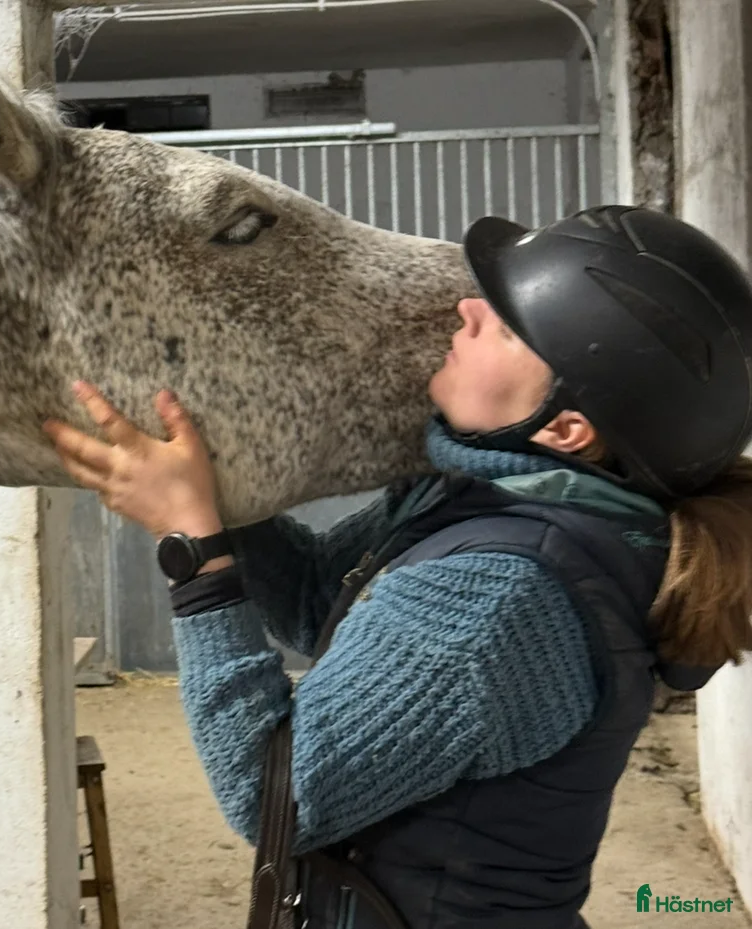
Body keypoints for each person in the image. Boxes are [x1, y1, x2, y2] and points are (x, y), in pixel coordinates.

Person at [42, 204, 752, 929]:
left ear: (564, 427)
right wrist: (208, 488)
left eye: (506, 327)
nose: (468, 309)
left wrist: (194, 548)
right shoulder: (501, 509)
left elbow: (274, 796)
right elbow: (320, 596)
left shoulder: (503, 593)